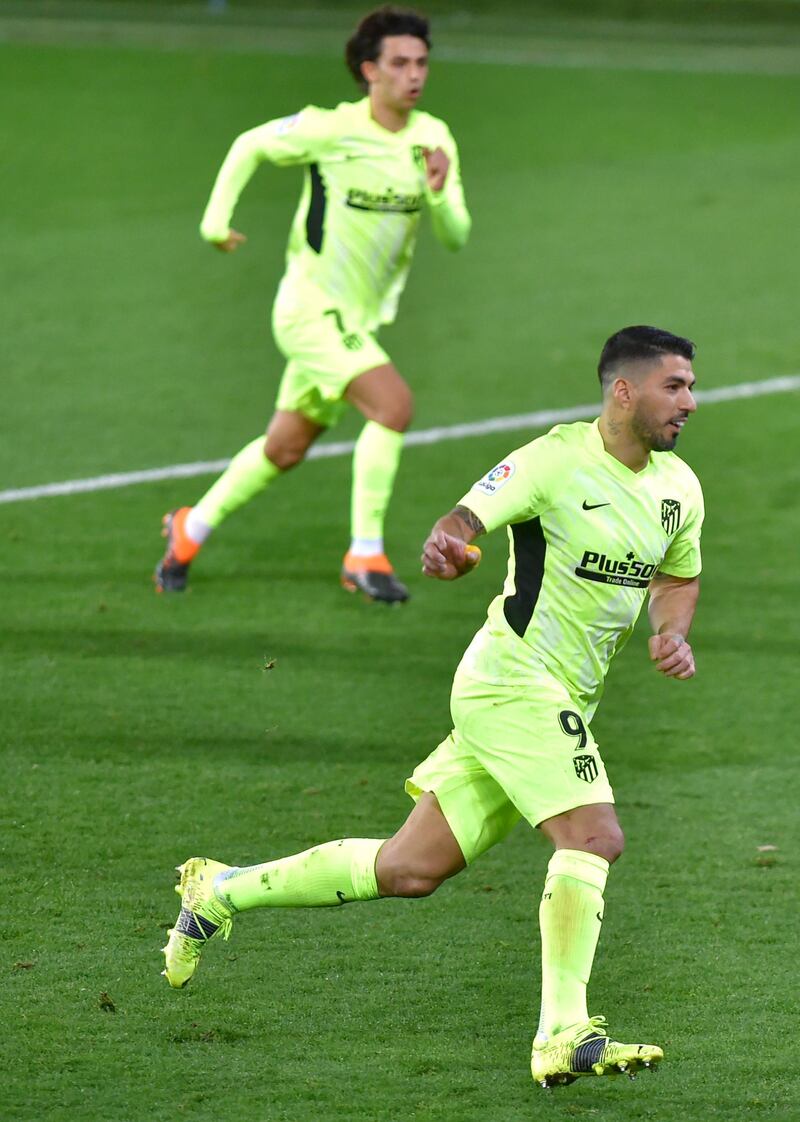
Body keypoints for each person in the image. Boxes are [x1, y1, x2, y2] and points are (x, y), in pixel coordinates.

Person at [161, 326, 703, 1088]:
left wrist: (671, 632)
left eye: (690, 385)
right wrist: (447, 545)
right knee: (594, 835)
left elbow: (676, 578)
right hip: (512, 679)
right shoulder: (553, 460)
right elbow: (462, 521)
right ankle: (562, 1032)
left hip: (557, 696)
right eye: (674, 386)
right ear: (625, 390)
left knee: (409, 868)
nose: (690, 401)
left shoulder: (679, 488)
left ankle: (219, 890)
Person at [154, 5, 470, 603]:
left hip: (355, 321)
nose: (414, 75)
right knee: (392, 406)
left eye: (422, 63)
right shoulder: (332, 129)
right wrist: (214, 222)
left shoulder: (434, 138)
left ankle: (188, 529)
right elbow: (250, 144)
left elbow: (456, 236)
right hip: (308, 309)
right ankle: (365, 553)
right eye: (400, 63)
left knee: (285, 448)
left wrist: (439, 193)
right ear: (368, 69)